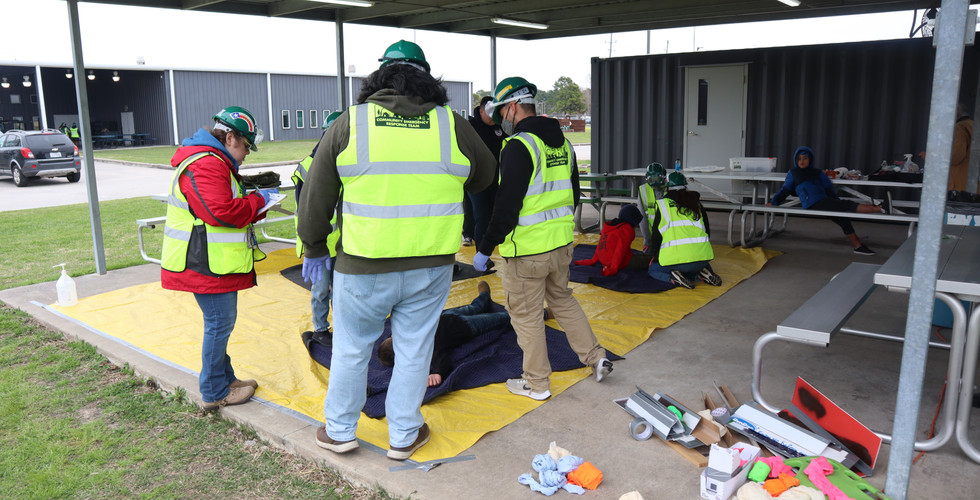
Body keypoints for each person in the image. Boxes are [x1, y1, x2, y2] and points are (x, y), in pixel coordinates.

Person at [297, 40, 496, 461]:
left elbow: (316, 193)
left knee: (352, 349)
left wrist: (314, 246)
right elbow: (484, 176)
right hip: (431, 266)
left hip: (363, 266)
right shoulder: (452, 124)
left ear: (380, 76)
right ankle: (405, 435)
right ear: (429, 77)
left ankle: (339, 431)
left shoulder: (352, 123)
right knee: (414, 350)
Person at [473, 76, 613, 401]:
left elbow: (506, 208)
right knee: (563, 300)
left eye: (502, 111)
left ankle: (536, 384)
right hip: (560, 246)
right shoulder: (564, 145)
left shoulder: (519, 146)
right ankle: (596, 358)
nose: (502, 118)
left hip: (527, 252)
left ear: (512, 107)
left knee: (527, 316)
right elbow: (573, 195)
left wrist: (484, 248)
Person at [160, 106, 273, 411]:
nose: (247, 154)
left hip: (209, 261)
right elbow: (221, 212)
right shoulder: (207, 163)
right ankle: (214, 391)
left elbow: (219, 209)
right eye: (246, 146)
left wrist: (254, 205)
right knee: (219, 323)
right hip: (204, 263)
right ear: (231, 137)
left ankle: (226, 378)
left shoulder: (211, 161)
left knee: (220, 322)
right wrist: (259, 200)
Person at [377, 281, 553, 387]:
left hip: (449, 316)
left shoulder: (405, 334)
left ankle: (484, 296)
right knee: (502, 318)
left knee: (477, 306)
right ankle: (543, 313)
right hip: (466, 326)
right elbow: (441, 360)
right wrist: (437, 373)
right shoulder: (426, 346)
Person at [768, 146, 886, 255]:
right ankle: (880, 208)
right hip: (812, 203)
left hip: (824, 201)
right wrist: (774, 202)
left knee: (843, 218)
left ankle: (858, 246)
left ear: (810, 159)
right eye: (799, 159)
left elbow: (829, 189)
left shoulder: (818, 172)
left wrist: (836, 202)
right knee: (847, 205)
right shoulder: (793, 173)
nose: (802, 161)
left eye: (805, 158)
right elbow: (785, 190)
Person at [291, 111, 343, 347]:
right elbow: (306, 210)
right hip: (319, 245)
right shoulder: (309, 166)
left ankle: (341, 328)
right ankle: (321, 329)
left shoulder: (346, 162)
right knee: (321, 290)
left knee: (340, 292)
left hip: (340, 243)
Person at [641, 171, 723, 289]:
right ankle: (700, 273)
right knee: (694, 265)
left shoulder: (664, 205)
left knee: (654, 269)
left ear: (667, 188)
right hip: (702, 259)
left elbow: (656, 237)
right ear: (685, 186)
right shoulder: (696, 203)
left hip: (677, 260)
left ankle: (674, 278)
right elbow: (707, 232)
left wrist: (656, 256)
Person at [466, 95, 506, 248]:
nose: (493, 119)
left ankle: (490, 245)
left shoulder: (498, 126)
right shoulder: (470, 127)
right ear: (481, 111)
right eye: (490, 116)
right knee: (481, 216)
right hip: (477, 181)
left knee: (494, 215)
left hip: (496, 180)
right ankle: (481, 253)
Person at [574, 204, 645, 276]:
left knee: (638, 256)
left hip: (604, 260)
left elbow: (601, 244)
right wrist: (613, 268)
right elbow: (620, 250)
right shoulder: (626, 229)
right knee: (648, 260)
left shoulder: (611, 226)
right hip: (616, 262)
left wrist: (593, 260)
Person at [947, 103, 974, 192]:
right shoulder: (973, 125)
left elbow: (956, 156)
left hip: (960, 183)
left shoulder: (959, 128)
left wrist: (934, 157)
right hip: (973, 181)